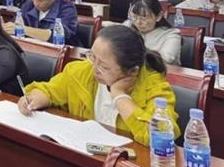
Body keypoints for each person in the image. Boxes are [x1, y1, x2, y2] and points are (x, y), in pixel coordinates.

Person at [19, 25, 180, 146]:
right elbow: (50, 91)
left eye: (104, 66)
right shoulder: (81, 71)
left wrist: (119, 95)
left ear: (132, 71)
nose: (94, 68)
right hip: (83, 153)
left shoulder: (154, 86)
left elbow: (161, 136)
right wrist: (34, 98)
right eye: (92, 57)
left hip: (127, 164)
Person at [4, 0, 81, 46]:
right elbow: (15, 23)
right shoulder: (29, 4)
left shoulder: (67, 8)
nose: (35, 3)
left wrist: (23, 29)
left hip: (63, 50)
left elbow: (56, 35)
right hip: (35, 48)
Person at [124, 0, 181, 65]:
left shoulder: (172, 34)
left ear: (159, 16)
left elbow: (167, 59)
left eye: (144, 18)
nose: (138, 22)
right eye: (134, 17)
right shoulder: (128, 27)